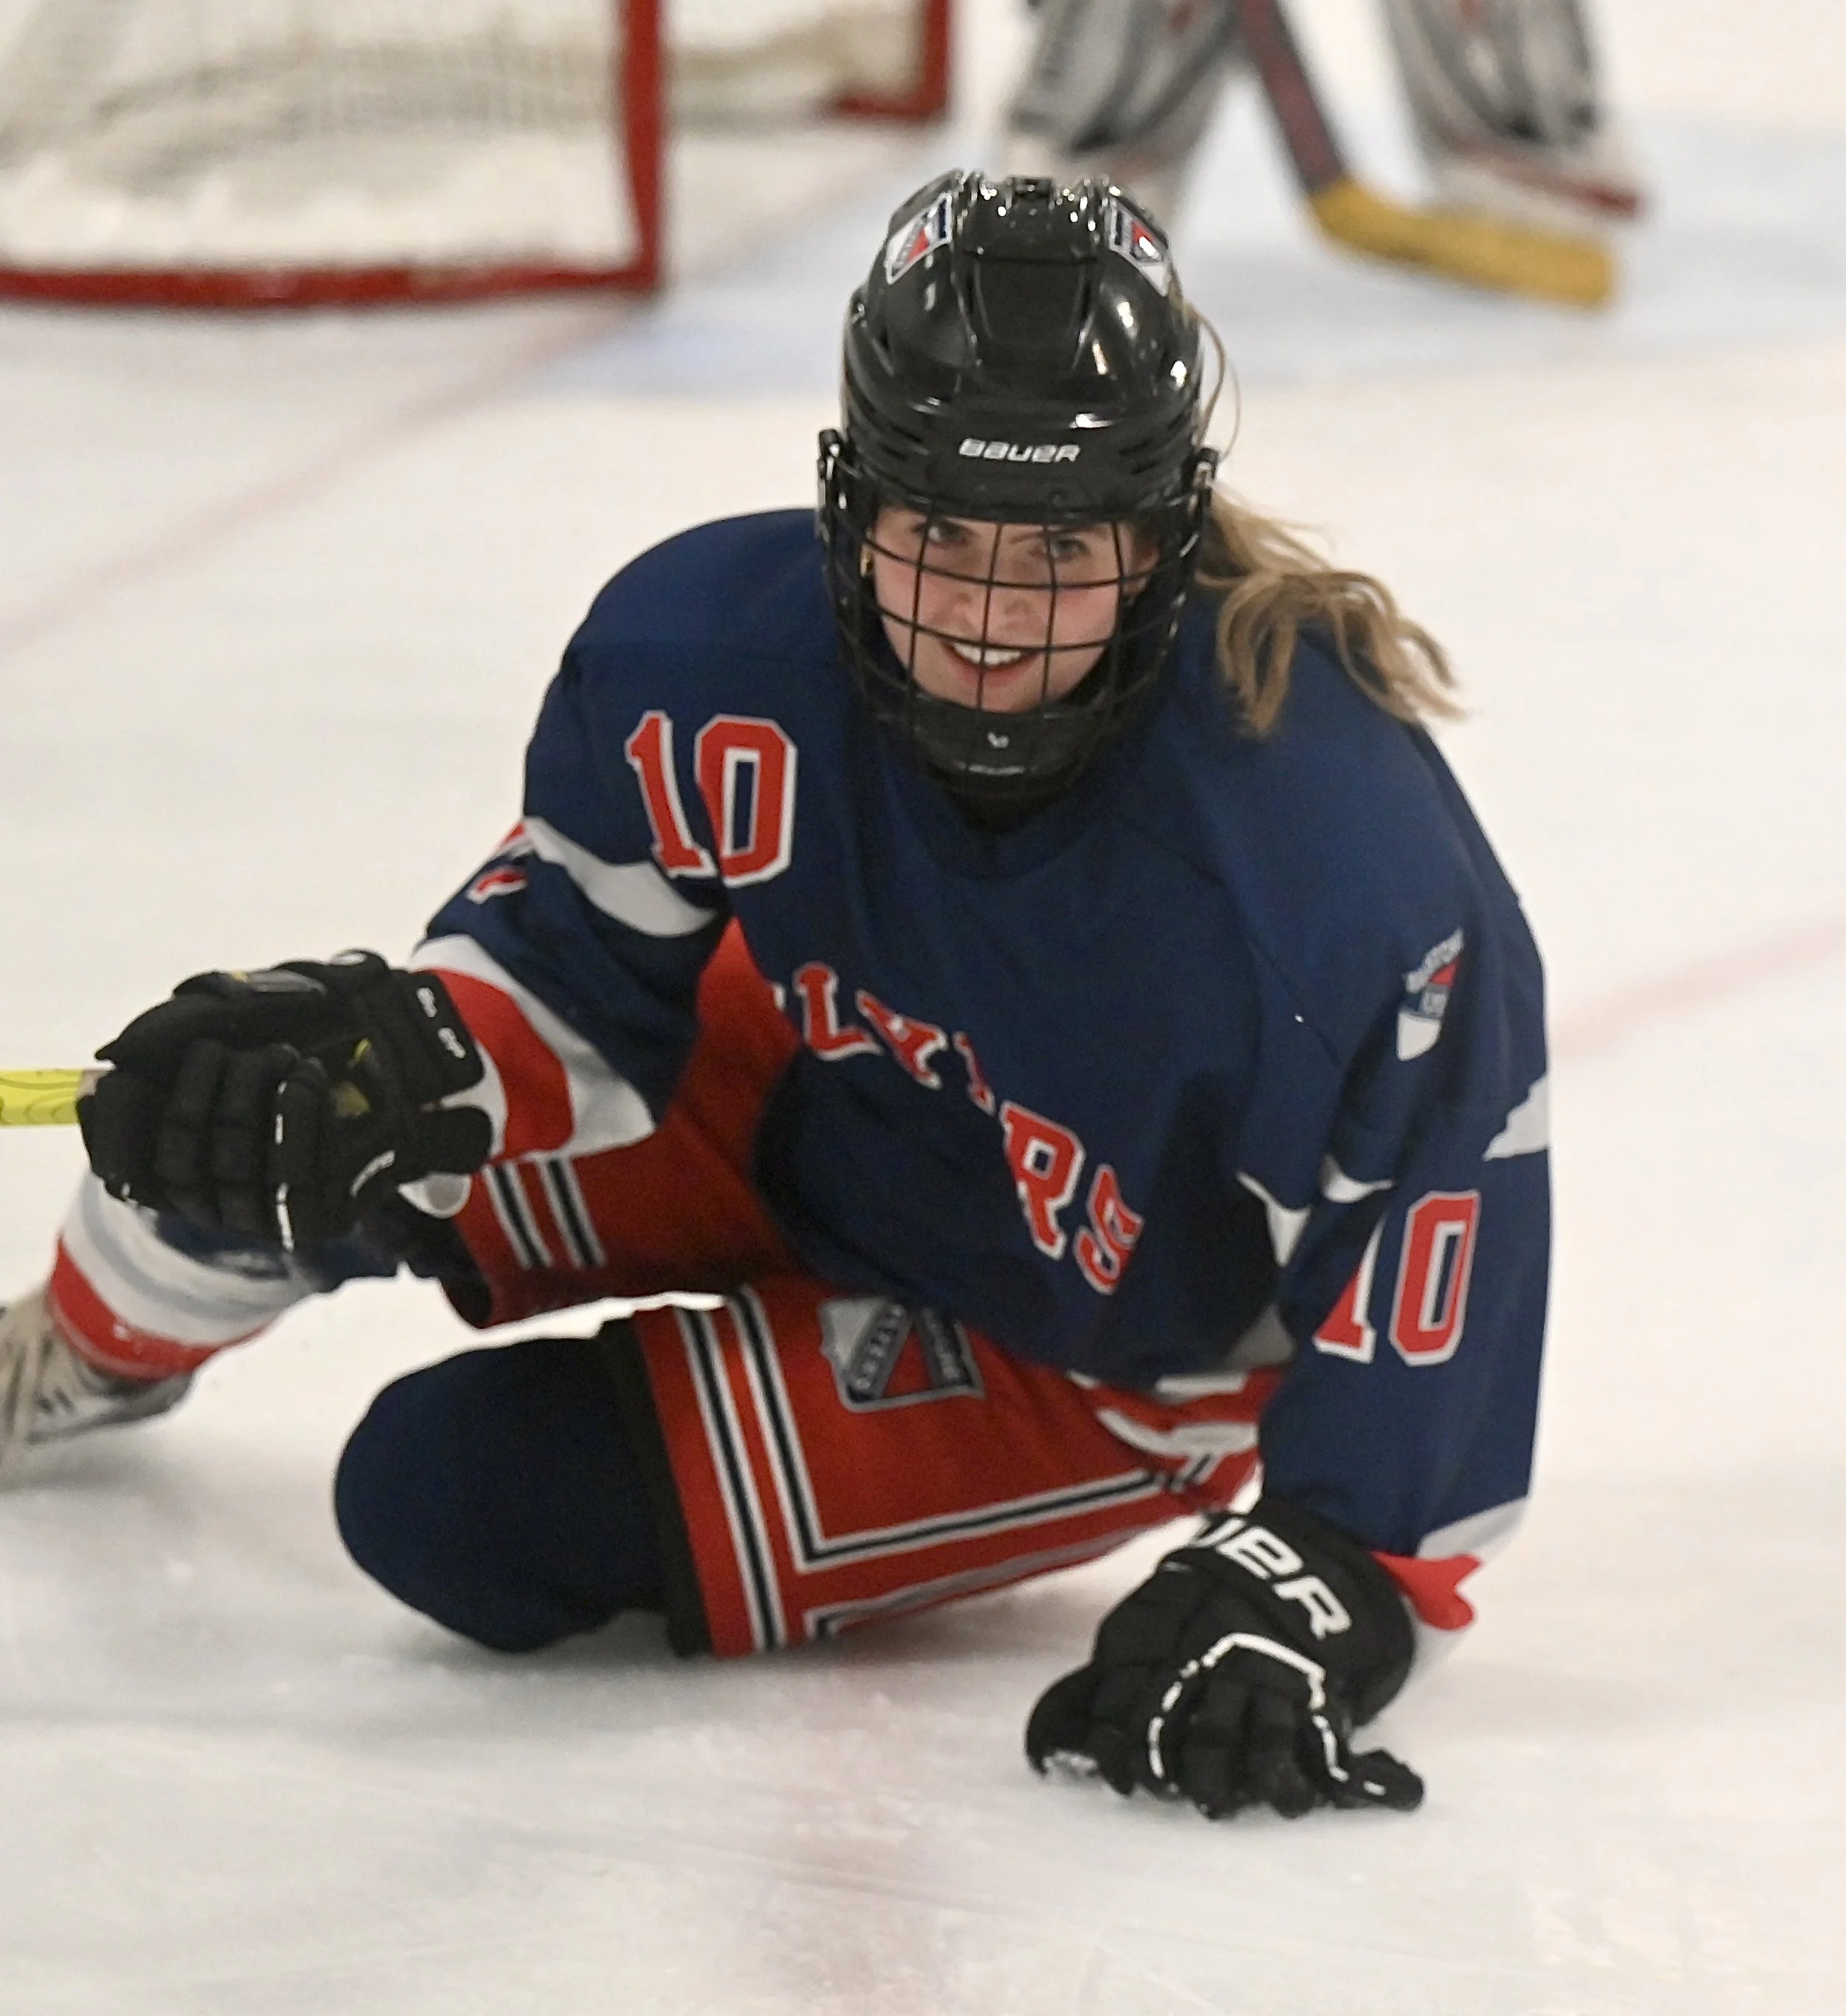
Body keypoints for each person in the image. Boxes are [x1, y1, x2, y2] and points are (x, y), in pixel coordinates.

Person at [0, 172, 1548, 1824]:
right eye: (938, 532)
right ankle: (76, 1353)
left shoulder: (1333, 862)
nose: (985, 620)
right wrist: (398, 1044)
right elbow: (565, 988)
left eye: (1055, 547)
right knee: (279, 1121)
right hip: (830, 1089)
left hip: (1093, 1341)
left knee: (447, 1499)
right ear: (851, 499)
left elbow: (1427, 1290)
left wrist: (1324, 1576)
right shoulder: (711, 656)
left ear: (1158, 540)